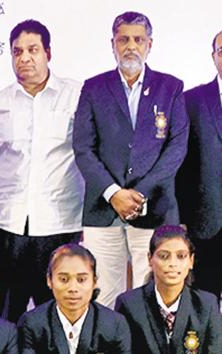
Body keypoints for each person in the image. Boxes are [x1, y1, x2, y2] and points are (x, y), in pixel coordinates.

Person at [72, 11, 189, 308]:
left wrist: (138, 195)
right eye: (123, 39)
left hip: (154, 208)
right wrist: (114, 194)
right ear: (112, 44)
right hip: (103, 208)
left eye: (138, 40)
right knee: (103, 295)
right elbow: (83, 148)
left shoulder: (171, 87)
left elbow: (176, 147)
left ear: (150, 44)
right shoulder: (93, 88)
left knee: (149, 296)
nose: (131, 46)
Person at [0, 19, 84, 323]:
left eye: (32, 49)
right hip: (6, 224)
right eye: (17, 51)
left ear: (48, 52)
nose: (24, 58)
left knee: (58, 312)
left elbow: (89, 154)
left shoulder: (76, 97)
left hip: (59, 222)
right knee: (7, 313)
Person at [115, 225, 222, 353]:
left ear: (191, 261)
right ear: (150, 259)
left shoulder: (207, 305)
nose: (172, 263)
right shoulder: (129, 304)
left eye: (181, 256)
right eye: (164, 256)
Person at [176, 30, 222, 302]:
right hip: (206, 224)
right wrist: (181, 218)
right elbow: (183, 164)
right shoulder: (192, 100)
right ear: (213, 56)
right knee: (203, 305)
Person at [18, 244, 131, 353]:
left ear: (94, 281)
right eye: (63, 279)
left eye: (81, 280)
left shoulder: (114, 324)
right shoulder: (32, 323)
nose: (73, 288)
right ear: (49, 280)